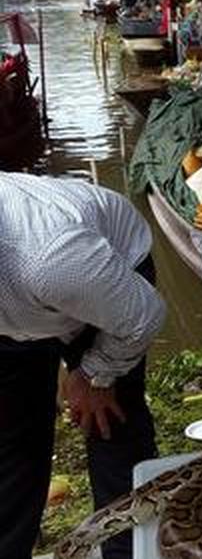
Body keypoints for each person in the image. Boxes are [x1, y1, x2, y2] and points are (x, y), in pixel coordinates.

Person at [0, 173, 165, 559]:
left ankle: (125, 550)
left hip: (109, 287)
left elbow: (143, 316)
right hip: (22, 306)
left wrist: (95, 373)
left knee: (108, 424)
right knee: (10, 440)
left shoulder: (49, 257)